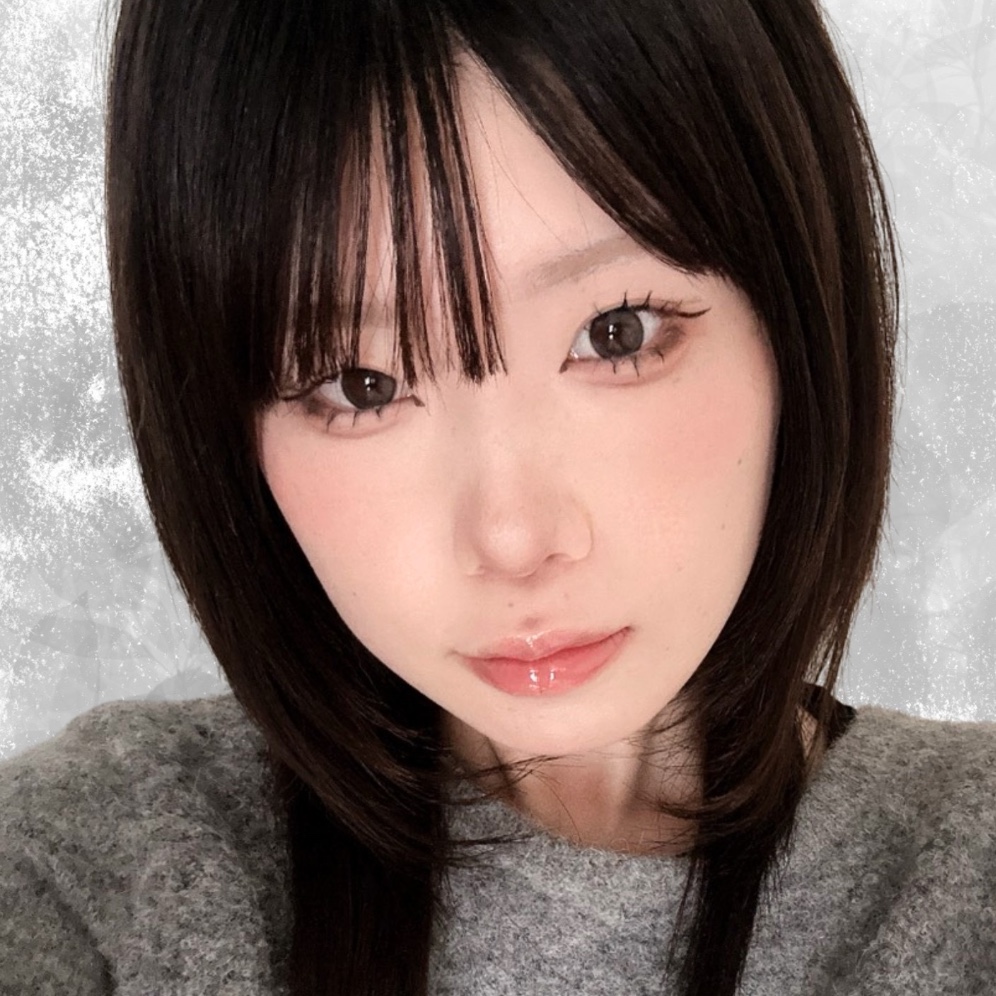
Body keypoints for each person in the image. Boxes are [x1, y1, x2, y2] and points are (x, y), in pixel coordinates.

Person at [1, 0, 993, 994]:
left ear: (795, 314)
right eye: (362, 386)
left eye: (616, 332)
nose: (513, 537)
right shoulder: (101, 878)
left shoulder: (965, 872)